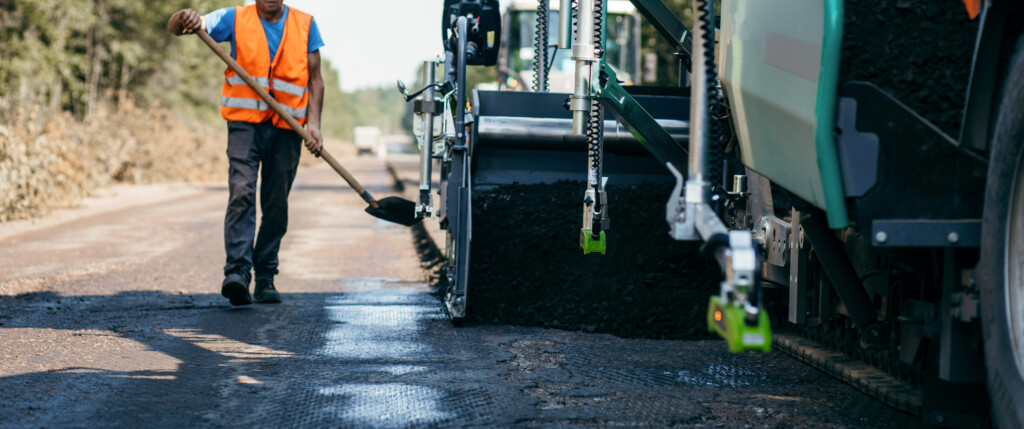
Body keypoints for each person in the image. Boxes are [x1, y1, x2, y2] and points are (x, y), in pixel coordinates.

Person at [167, 0, 325, 306]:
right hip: (244, 125)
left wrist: (314, 125)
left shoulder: (306, 25)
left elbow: (315, 79)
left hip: (288, 127)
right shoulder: (233, 18)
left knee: (276, 203)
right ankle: (238, 271)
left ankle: (265, 276)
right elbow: (181, 27)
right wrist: (182, 17)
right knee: (241, 191)